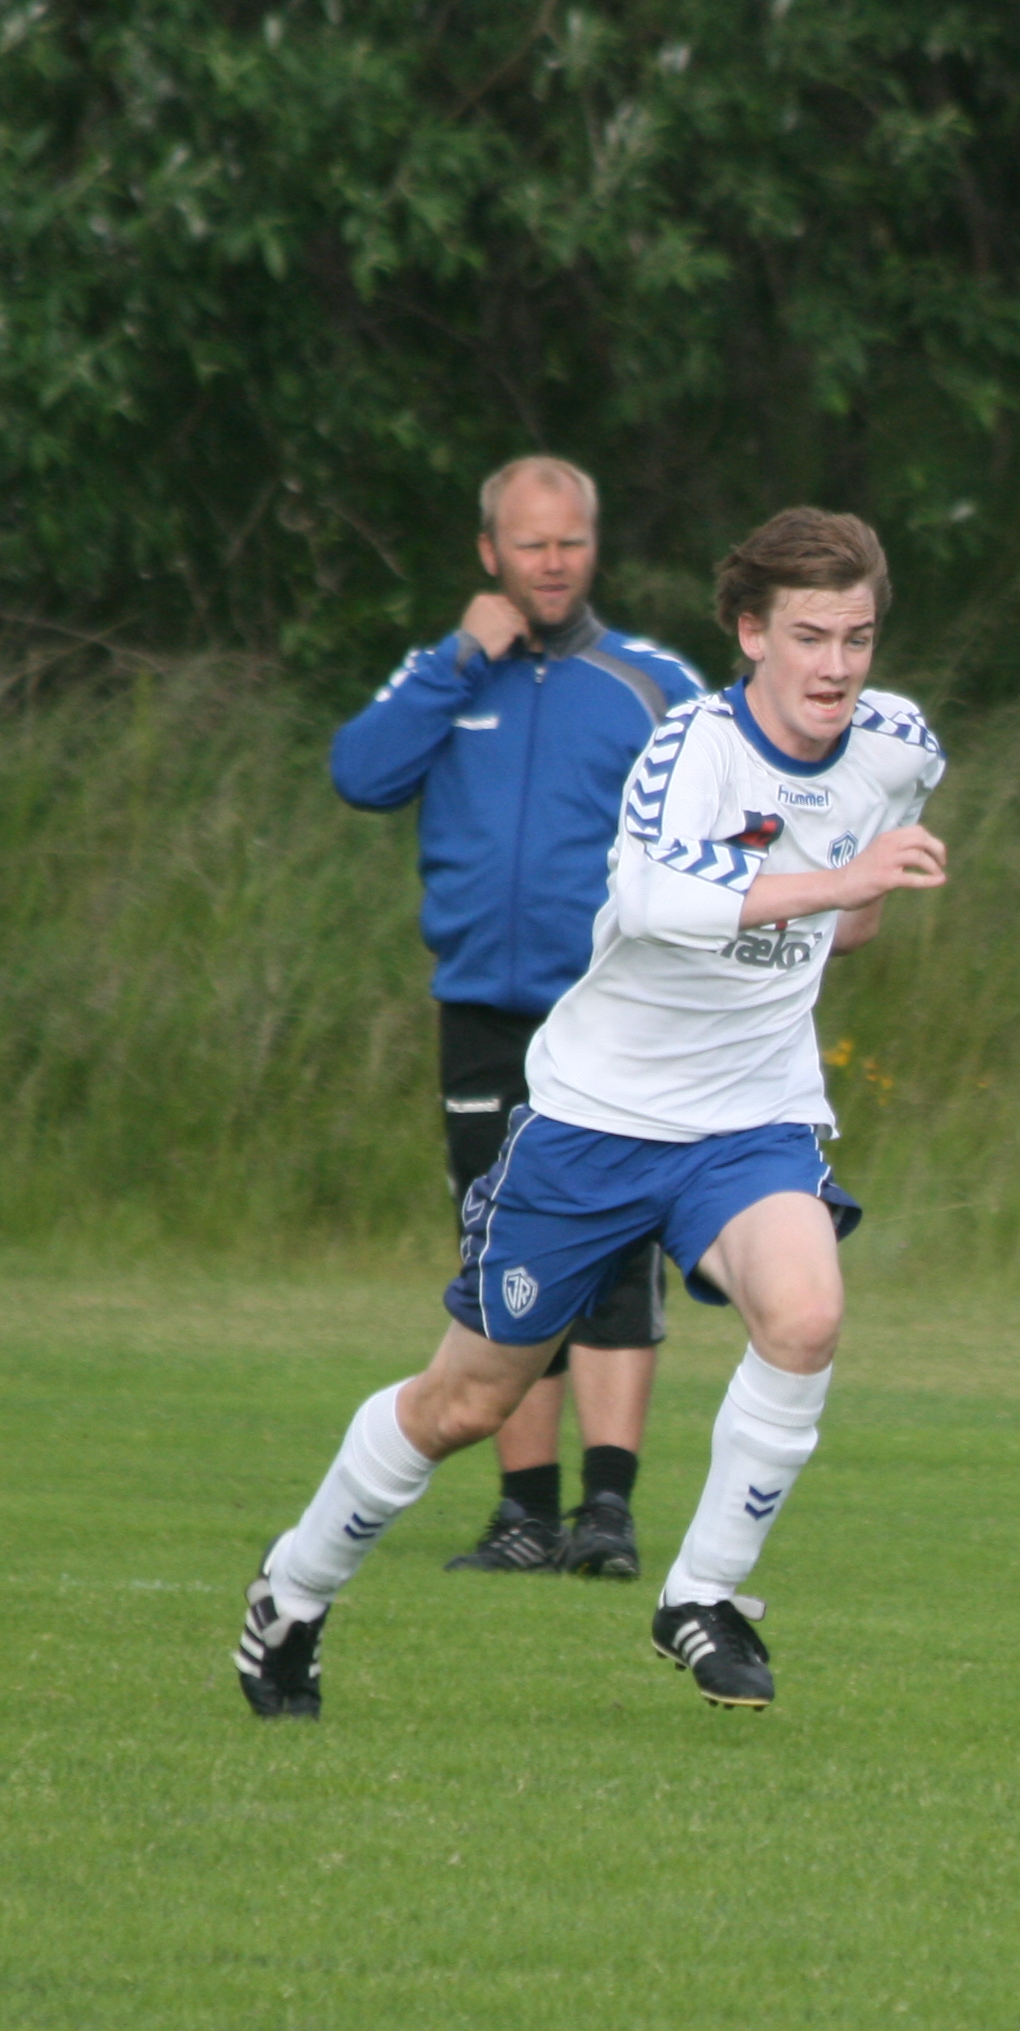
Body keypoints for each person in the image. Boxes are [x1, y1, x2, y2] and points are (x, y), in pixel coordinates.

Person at [240, 508, 948, 1717]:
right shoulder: (690, 749)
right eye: (810, 637)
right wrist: (839, 882)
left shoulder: (896, 744)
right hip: (596, 1121)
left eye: (859, 638)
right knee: (467, 1402)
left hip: (750, 1117)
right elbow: (664, 902)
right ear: (750, 634)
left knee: (807, 1317)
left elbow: (860, 904)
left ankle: (702, 1597)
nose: (837, 666)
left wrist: (849, 898)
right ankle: (293, 1592)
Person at [328, 455, 703, 1579]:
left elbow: (720, 822)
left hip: (617, 1015)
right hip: (483, 1015)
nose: (553, 563)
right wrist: (459, 659)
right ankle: (524, 1515)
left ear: (596, 547)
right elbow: (361, 773)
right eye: (531, 544)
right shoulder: (444, 674)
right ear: (490, 552)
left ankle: (608, 1513)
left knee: (619, 1249)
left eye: (571, 541)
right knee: (506, 1254)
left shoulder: (651, 682)